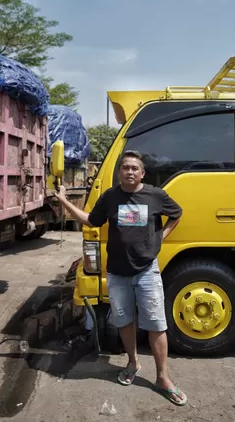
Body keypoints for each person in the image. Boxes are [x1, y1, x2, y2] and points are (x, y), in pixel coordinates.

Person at [54, 149, 188, 406]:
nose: (129, 171)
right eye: (125, 167)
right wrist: (64, 201)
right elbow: (91, 221)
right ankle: (132, 363)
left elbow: (177, 213)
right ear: (119, 172)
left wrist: (162, 236)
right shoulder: (110, 197)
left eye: (134, 168)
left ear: (142, 173)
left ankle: (162, 378)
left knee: (156, 324)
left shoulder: (155, 195)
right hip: (116, 273)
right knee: (124, 322)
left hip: (146, 271)